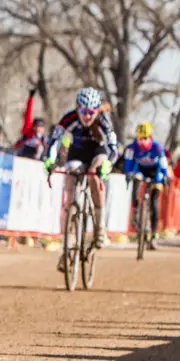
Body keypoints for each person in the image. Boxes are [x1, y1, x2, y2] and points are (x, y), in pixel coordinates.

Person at [43, 87, 119, 262]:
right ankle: (67, 245)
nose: (87, 116)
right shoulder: (69, 118)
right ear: (78, 108)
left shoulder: (103, 121)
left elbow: (113, 150)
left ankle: (100, 228)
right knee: (69, 189)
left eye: (91, 112)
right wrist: (49, 160)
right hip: (77, 152)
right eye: (84, 112)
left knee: (93, 176)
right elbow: (54, 142)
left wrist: (107, 165)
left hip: (97, 152)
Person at [123, 122, 170, 249]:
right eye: (139, 138)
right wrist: (128, 173)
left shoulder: (157, 147)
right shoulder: (132, 148)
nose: (142, 141)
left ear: (150, 137)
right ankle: (136, 211)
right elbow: (128, 162)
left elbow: (163, 163)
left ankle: (154, 234)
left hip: (156, 172)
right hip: (141, 170)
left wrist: (164, 177)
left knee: (154, 202)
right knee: (136, 182)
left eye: (145, 138)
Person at [15, 89, 47, 159]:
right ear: (34, 127)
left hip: (36, 158)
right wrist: (31, 98)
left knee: (41, 147)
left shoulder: (43, 139)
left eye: (42, 127)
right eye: (38, 126)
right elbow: (28, 114)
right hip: (24, 153)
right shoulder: (29, 132)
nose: (40, 129)